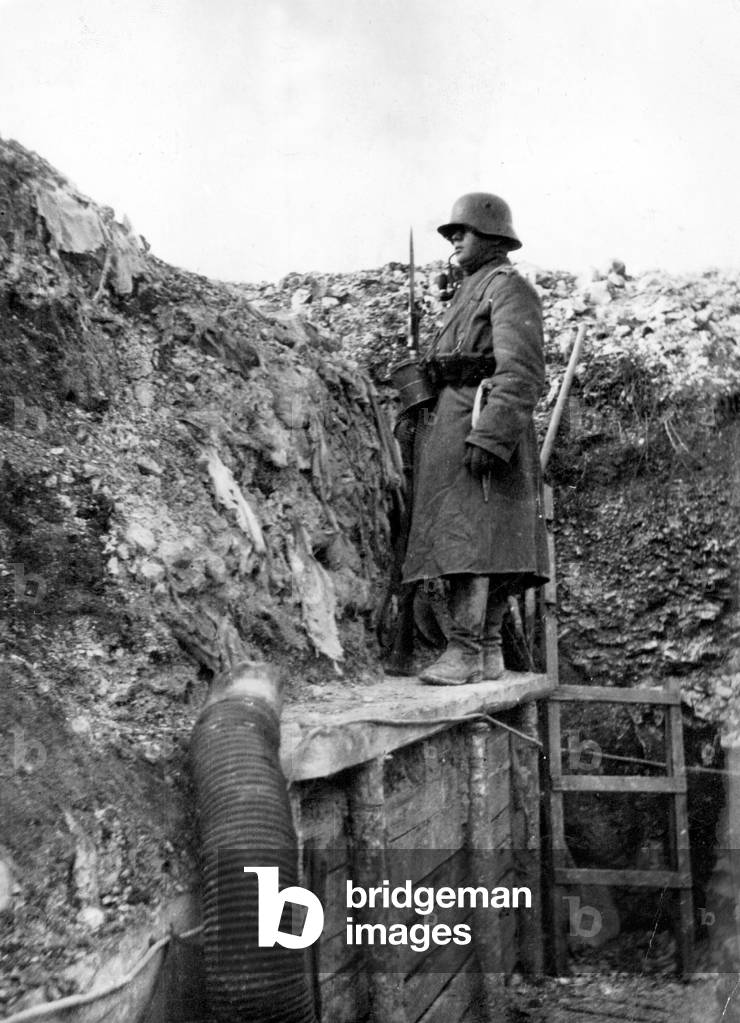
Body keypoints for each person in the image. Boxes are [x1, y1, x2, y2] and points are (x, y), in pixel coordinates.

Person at [401, 192, 549, 685]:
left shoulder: (510, 288)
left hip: (482, 424)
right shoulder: (471, 288)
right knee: (466, 534)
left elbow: (523, 371)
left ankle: (465, 651)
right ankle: (485, 652)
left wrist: (491, 437)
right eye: (451, 234)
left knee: (476, 537)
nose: (454, 240)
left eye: (461, 232)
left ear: (492, 236)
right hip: (455, 420)